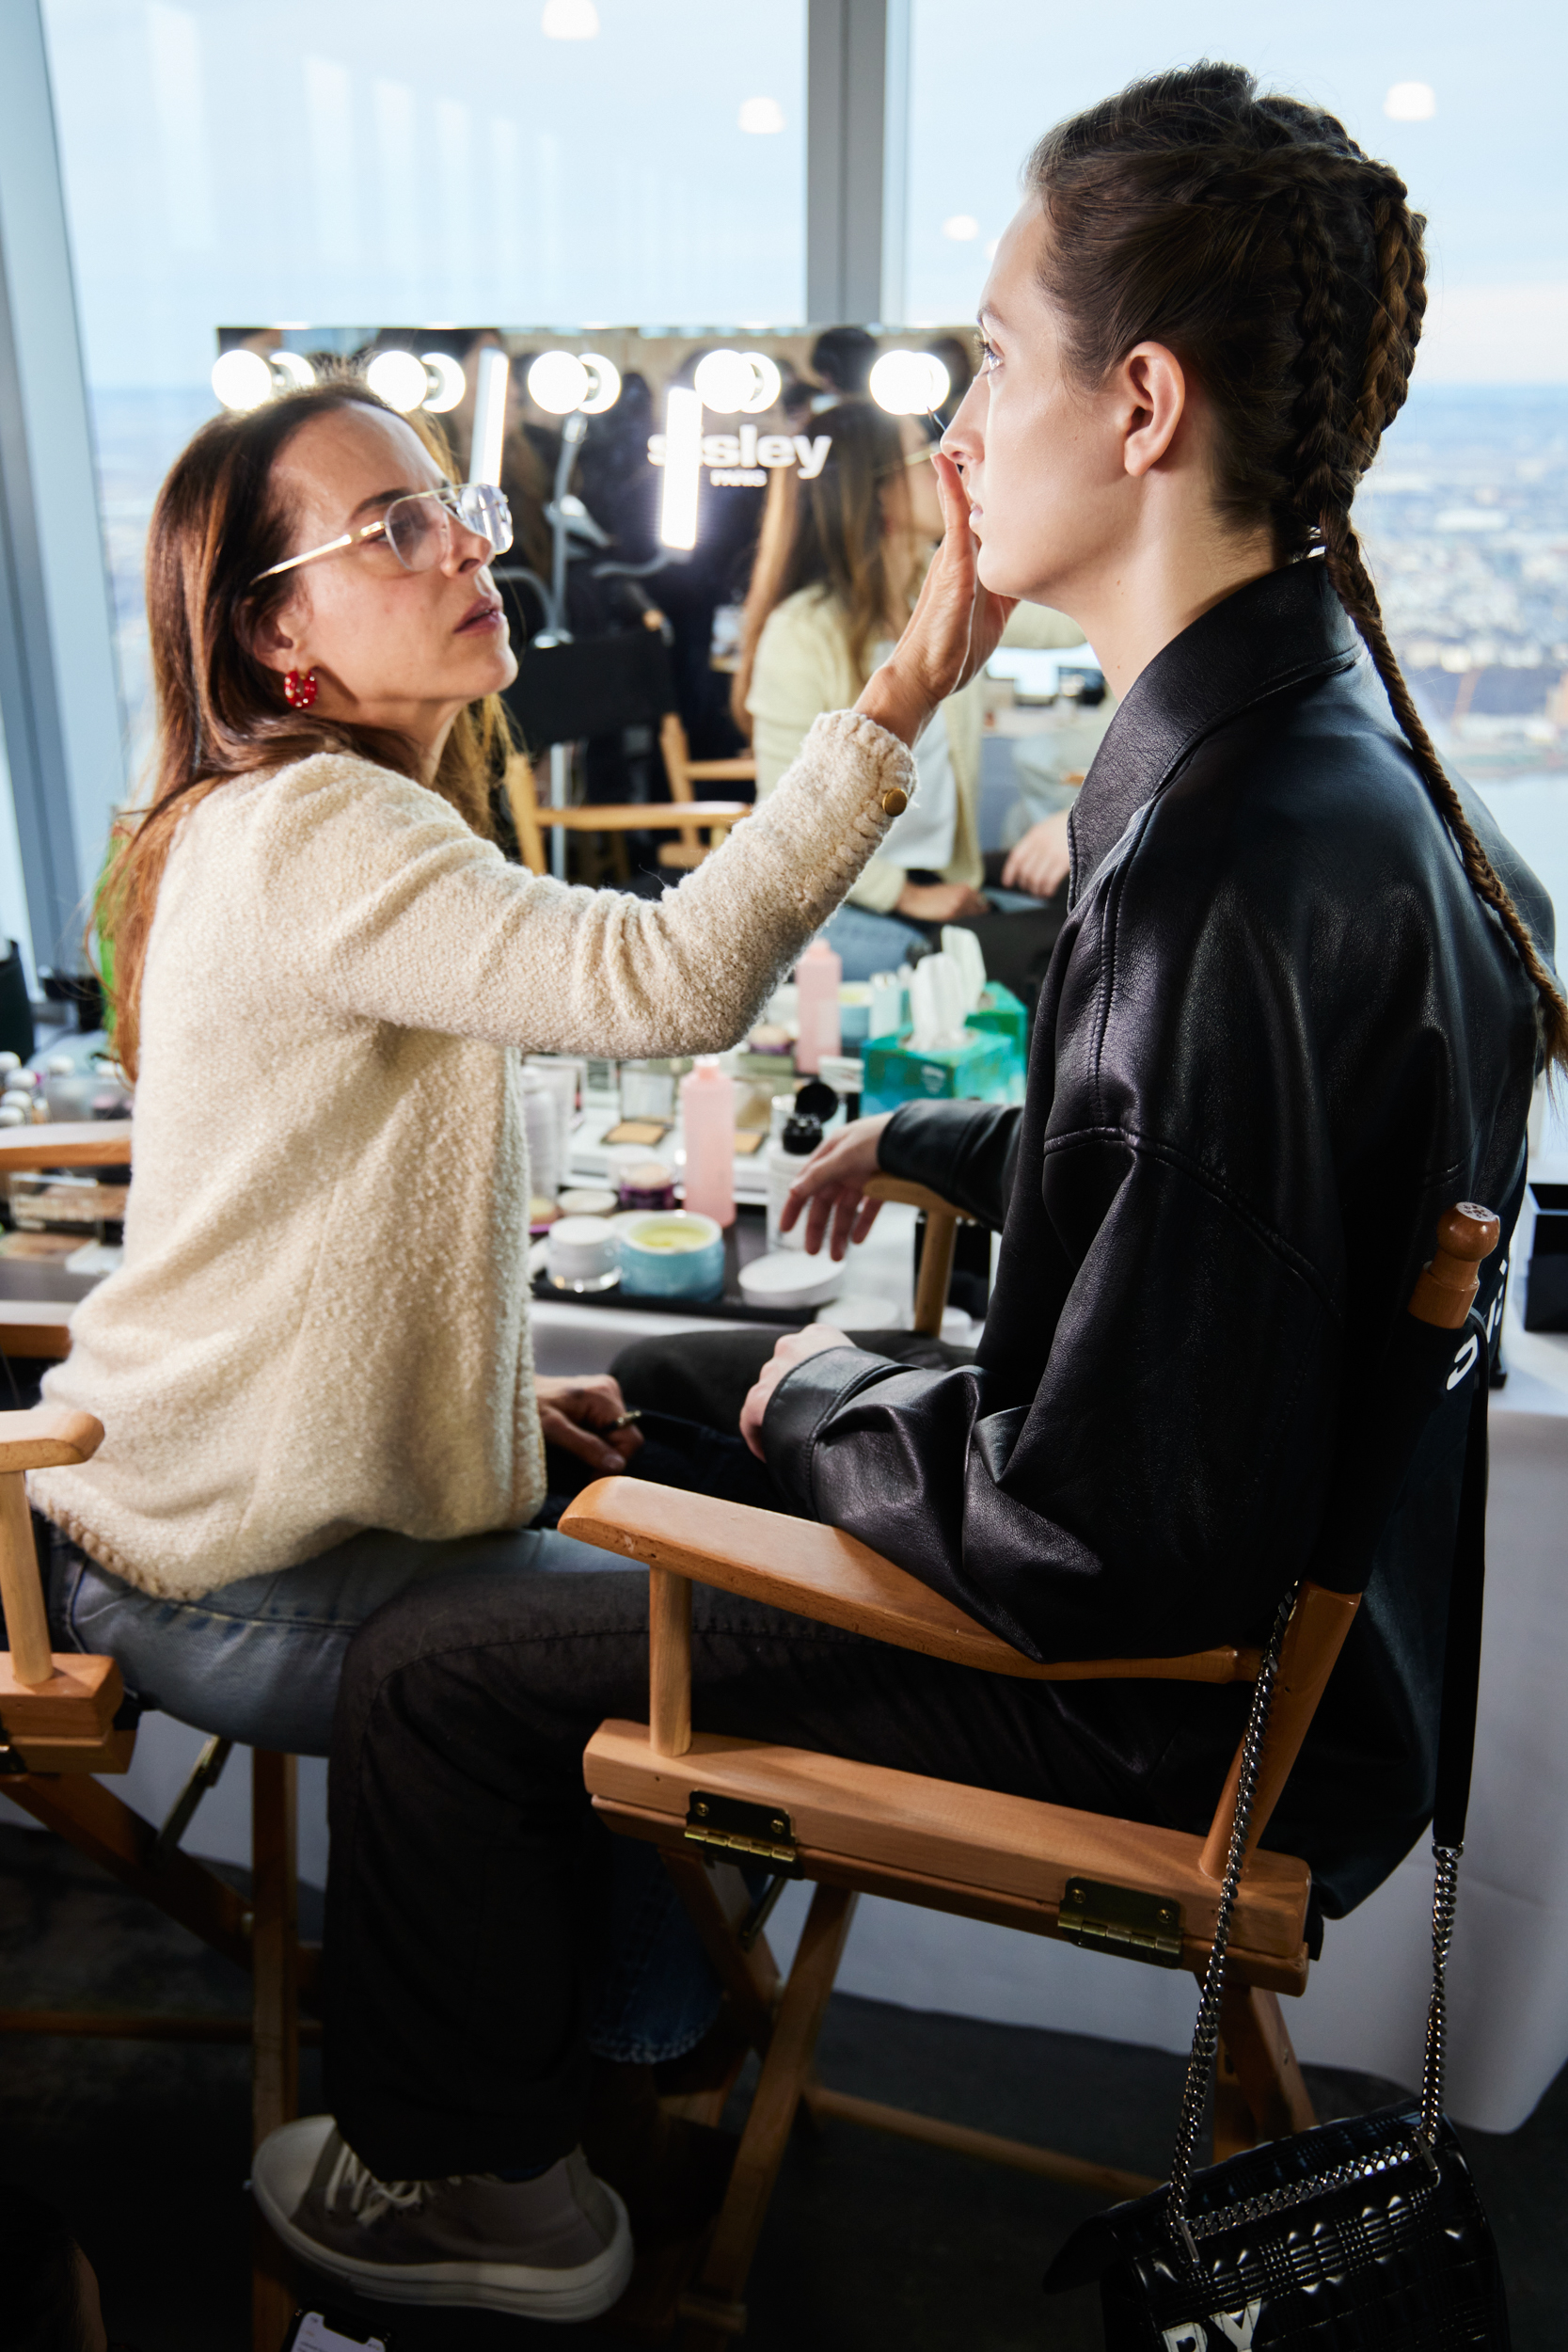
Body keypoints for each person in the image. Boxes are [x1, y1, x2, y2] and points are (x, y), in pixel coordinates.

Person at [252, 64, 1560, 2323]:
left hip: (1161, 1691)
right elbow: (1223, 1202)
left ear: (1139, 404)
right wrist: (955, 1151)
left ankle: (485, 2198)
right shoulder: (1320, 766)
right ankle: (631, 2031)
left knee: (439, 1659)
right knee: (662, 1380)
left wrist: (838, 1406)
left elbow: (1092, 1535)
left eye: (988, 352)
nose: (954, 409)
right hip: (1274, 1649)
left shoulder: (1230, 862)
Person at [735, 396, 1087, 999]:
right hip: (842, 902)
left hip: (942, 886)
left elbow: (1072, 620)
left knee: (1072, 942)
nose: (947, 460)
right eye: (925, 455)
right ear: (878, 494)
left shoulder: (952, 591)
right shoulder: (802, 632)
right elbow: (784, 827)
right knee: (960, 967)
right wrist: (908, 895)